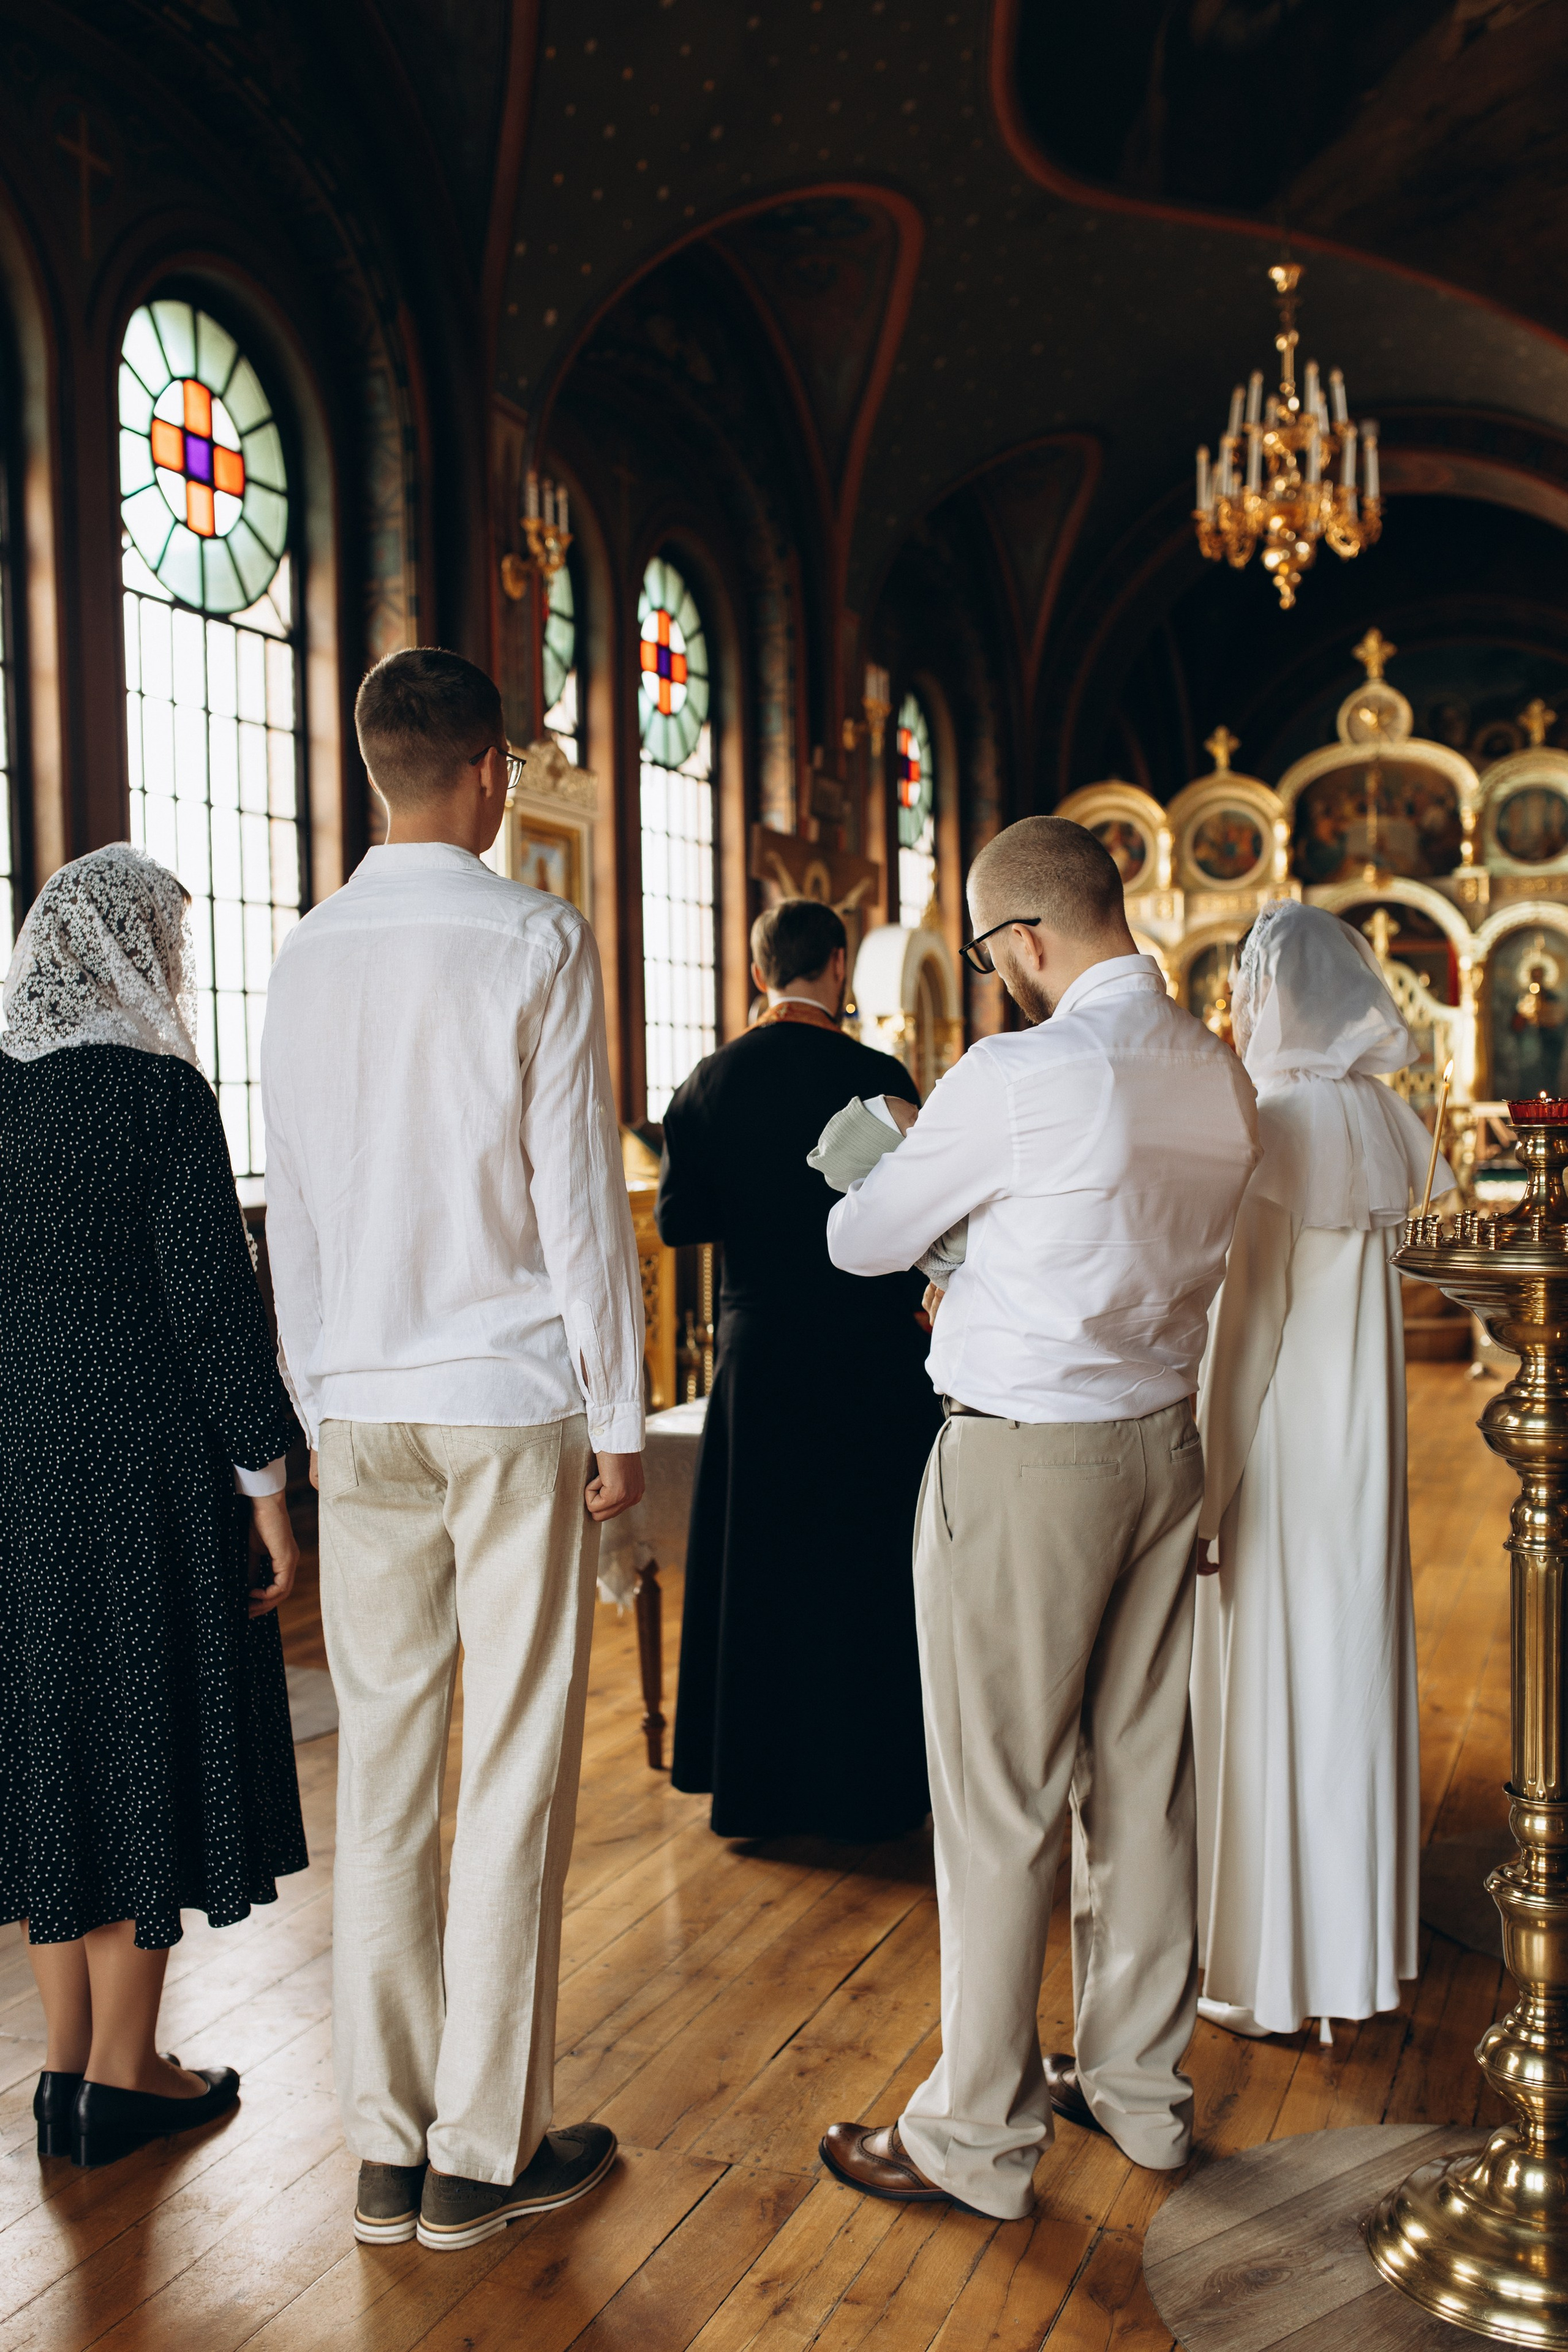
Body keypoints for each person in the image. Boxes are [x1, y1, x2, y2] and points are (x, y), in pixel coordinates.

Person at [816, 816, 1260, 2221]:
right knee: (1140, 1783)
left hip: (1028, 1464)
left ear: (1019, 940)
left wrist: (915, 1183)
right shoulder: (1212, 1070)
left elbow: (859, 1238)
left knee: (1000, 1799)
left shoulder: (1020, 1068)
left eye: (990, 950)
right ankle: (1137, 2092)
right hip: (1158, 1446)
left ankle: (976, 2136)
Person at [260, 648, 646, 2253]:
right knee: (515, 1770)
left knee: (385, 1768)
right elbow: (577, 1199)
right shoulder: (535, 935)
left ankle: (385, 2148)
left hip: (359, 1396)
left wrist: (310, 1403)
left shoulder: (306, 957)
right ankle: (483, 2149)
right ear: (490, 771)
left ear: (375, 771)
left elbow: (292, 1204)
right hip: (504, 1396)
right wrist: (618, 1412)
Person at [0, 845, 306, 2170]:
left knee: (53, 1742)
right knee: (142, 1743)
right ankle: (129, 2074)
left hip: (16, 1468)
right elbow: (212, 1304)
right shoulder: (159, 1094)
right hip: (142, 1472)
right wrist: (271, 1482)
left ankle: (68, 2068)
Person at [1191, 901, 1446, 2040]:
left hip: (1288, 1447)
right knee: (1351, 1667)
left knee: (1276, 1680)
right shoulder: (1382, 1119)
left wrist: (1208, 1481)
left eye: (1249, 986)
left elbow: (1246, 1333)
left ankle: (1277, 1973)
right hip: (1367, 1449)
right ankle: (1361, 1953)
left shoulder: (1276, 1123)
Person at [656, 896, 939, 1841]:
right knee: (865, 1565)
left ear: (755, 972)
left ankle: (760, 1790)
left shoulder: (708, 1081)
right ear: (839, 965)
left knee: (762, 1569)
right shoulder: (875, 1073)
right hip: (868, 1355)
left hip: (762, 1353)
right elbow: (929, 1215)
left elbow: (678, 1223)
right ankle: (873, 1783)